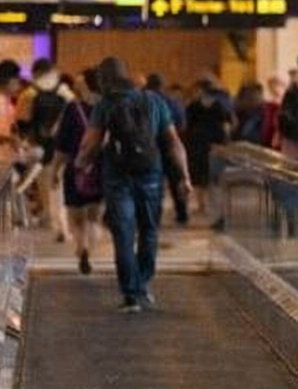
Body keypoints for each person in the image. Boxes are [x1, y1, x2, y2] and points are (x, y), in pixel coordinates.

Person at [76, 56, 191, 312]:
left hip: (118, 176)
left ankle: (131, 294)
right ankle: (143, 284)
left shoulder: (105, 104)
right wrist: (184, 175)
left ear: (103, 80)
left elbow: (91, 143)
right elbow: (173, 142)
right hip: (151, 173)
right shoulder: (154, 100)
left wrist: (81, 164)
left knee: (124, 233)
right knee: (149, 230)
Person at [50, 67, 103, 276]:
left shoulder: (73, 109)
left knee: (76, 216)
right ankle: (89, 247)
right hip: (100, 167)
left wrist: (55, 170)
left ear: (85, 85)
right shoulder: (106, 107)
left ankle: (81, 246)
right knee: (93, 216)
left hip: (76, 167)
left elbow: (62, 145)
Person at [17, 58, 74, 236]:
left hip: (39, 147)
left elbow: (22, 123)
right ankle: (61, 222)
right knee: (59, 185)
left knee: (45, 184)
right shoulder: (65, 92)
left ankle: (51, 219)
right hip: (63, 146)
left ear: (35, 73)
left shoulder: (29, 93)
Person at [183, 72, 234, 226]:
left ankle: (203, 205)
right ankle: (213, 207)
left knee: (200, 174)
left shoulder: (193, 105)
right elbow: (228, 123)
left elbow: (188, 125)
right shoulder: (220, 105)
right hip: (214, 143)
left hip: (197, 142)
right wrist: (226, 142)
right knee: (213, 176)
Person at [145, 73, 190, 224]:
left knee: (154, 183)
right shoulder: (172, 102)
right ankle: (182, 213)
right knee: (176, 180)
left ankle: (155, 215)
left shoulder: (143, 102)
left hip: (151, 146)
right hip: (171, 144)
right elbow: (182, 124)